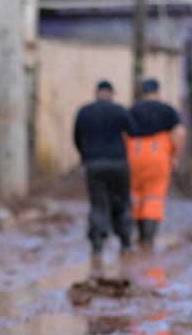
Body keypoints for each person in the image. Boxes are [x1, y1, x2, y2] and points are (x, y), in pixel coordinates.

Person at [74, 80, 133, 269]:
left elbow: (76, 137)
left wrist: (86, 156)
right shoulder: (120, 110)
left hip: (94, 164)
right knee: (122, 202)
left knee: (98, 204)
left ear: (97, 92)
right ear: (111, 93)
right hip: (119, 163)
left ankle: (97, 249)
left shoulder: (84, 111)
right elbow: (133, 131)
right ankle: (125, 244)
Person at [125, 78, 185, 249]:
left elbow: (123, 133)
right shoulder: (167, 110)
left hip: (133, 156)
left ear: (142, 93)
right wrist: (176, 156)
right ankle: (148, 240)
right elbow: (180, 133)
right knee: (154, 197)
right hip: (158, 156)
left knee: (135, 197)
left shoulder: (132, 109)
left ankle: (136, 236)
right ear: (158, 92)